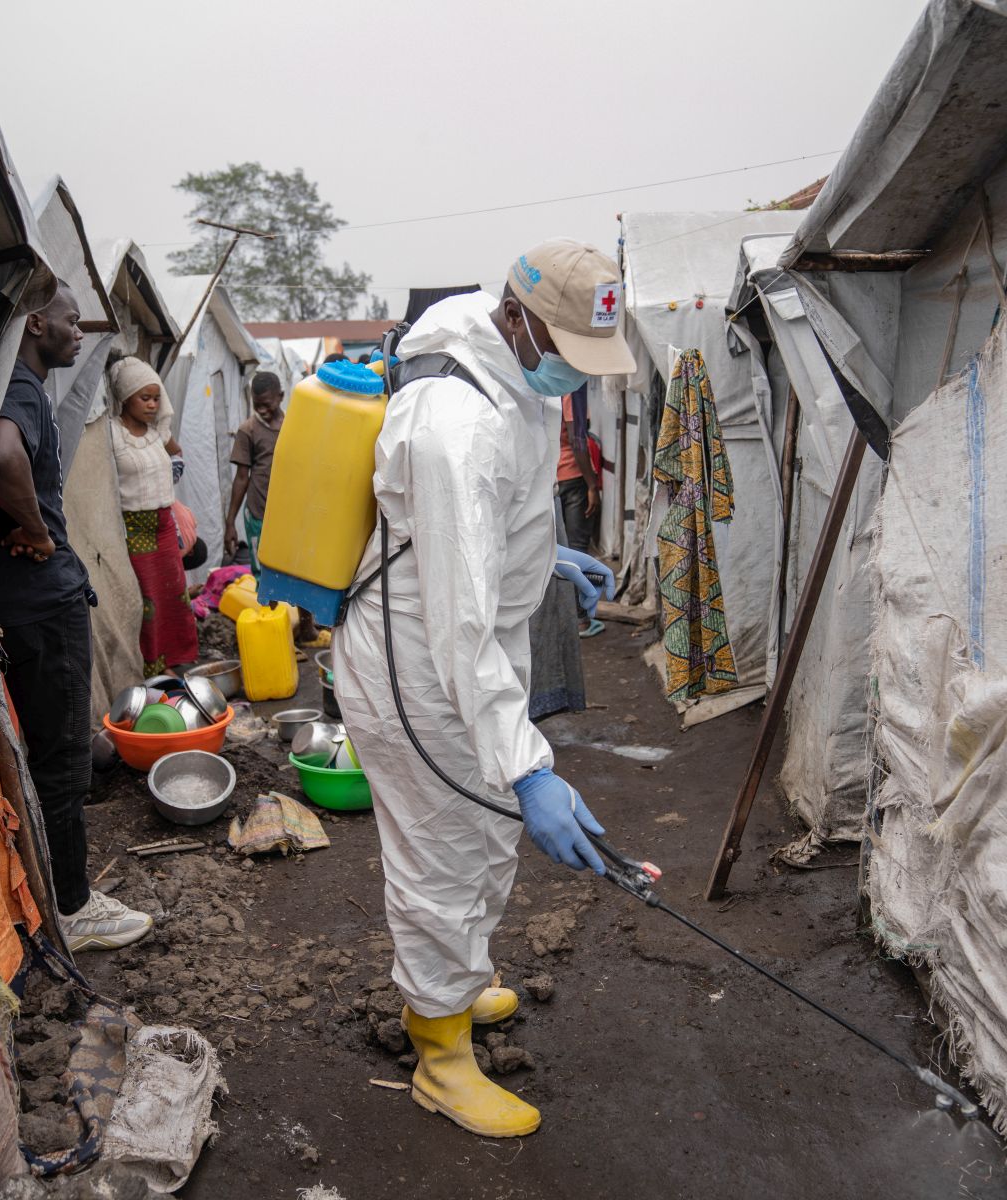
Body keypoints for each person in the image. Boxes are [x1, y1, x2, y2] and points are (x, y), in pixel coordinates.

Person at [332, 239, 635, 1138]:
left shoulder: (509, 369)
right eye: (571, 357)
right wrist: (532, 768)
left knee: (489, 830)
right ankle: (439, 1051)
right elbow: (458, 623)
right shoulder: (452, 423)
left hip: (464, 643)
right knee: (443, 853)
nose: (577, 381)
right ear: (516, 319)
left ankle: (458, 984)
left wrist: (545, 559)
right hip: (418, 663)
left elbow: (491, 523)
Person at [0, 285, 153, 953]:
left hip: (22, 599)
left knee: (46, 753)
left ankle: (52, 893)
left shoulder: (7, 384)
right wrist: (35, 528)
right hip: (44, 603)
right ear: (36, 322)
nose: (80, 334)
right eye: (72, 321)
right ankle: (73, 909)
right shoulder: (19, 388)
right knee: (62, 760)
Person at [223, 371, 327, 648]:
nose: (262, 409)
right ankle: (276, 637)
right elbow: (242, 478)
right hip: (260, 513)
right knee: (266, 577)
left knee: (301, 571)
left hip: (292, 513)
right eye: (257, 404)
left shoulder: (294, 425)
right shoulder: (248, 430)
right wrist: (230, 522)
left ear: (281, 397)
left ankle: (306, 628)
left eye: (267, 403)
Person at [110, 356, 198, 673]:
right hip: (134, 531)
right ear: (125, 398)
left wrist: (170, 477)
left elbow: (177, 452)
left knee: (174, 594)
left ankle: (178, 659)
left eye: (156, 398)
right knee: (147, 602)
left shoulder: (156, 433)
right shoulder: (112, 435)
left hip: (163, 527)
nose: (152, 405)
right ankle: (153, 667)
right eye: (144, 398)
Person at [556, 386, 599, 553]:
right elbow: (577, 441)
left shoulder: (543, 385)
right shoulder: (571, 389)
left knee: (556, 548)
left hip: (551, 476)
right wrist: (592, 486)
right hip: (573, 476)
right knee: (577, 547)